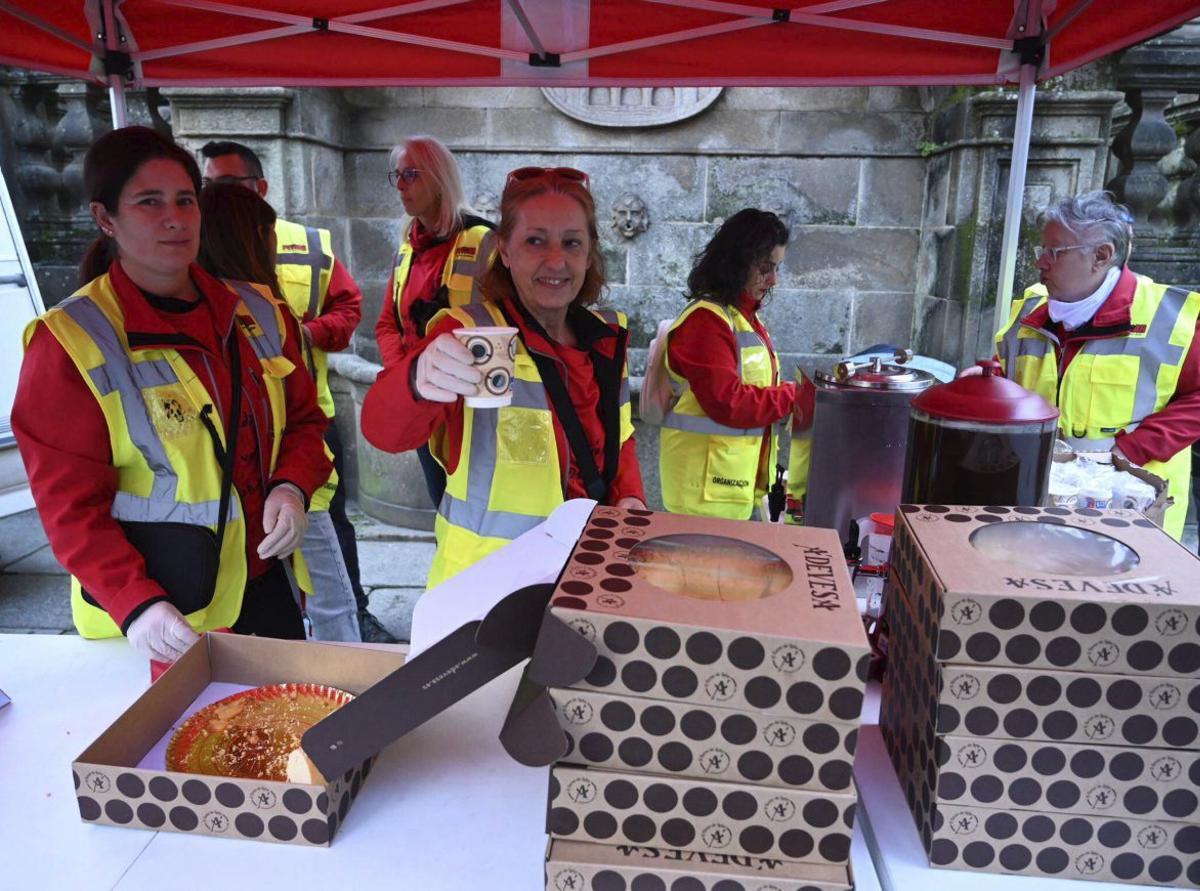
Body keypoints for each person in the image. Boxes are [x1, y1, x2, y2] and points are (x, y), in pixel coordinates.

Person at [12, 126, 331, 663]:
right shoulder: (68, 343)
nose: (175, 217)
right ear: (105, 218)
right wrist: (134, 602)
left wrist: (292, 486)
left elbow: (305, 420)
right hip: (162, 613)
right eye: (149, 201)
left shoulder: (258, 310)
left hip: (265, 581)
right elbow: (69, 507)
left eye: (186, 199)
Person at [362, 166, 645, 588]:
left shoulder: (604, 338)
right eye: (535, 241)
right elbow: (384, 432)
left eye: (571, 242)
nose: (556, 260)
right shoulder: (466, 335)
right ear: (505, 251)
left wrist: (631, 499)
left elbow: (618, 441)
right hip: (486, 596)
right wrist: (419, 378)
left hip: (585, 578)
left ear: (589, 254)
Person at [199, 140, 395, 643]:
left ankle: (345, 645)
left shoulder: (310, 246)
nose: (214, 197)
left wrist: (307, 334)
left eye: (229, 185)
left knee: (330, 555)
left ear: (259, 188)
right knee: (300, 584)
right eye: (208, 186)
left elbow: (351, 312)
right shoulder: (191, 297)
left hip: (304, 439)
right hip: (240, 476)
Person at [991, 190, 1200, 539]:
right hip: (1040, 495)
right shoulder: (1030, 308)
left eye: (1054, 253)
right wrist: (985, 386)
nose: (1040, 263)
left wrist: (1131, 449)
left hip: (1134, 504)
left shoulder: (1171, 318)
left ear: (1101, 256)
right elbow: (1008, 374)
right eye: (1041, 251)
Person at [658, 209, 813, 519]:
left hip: (726, 487)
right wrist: (794, 395)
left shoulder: (742, 318)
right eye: (765, 268)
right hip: (703, 495)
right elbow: (727, 402)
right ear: (737, 262)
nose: (773, 280)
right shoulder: (706, 322)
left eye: (777, 268)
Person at [373, 136, 495, 508]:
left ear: (440, 177)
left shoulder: (485, 242)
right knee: (442, 506)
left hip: (474, 410)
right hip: (425, 405)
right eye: (397, 175)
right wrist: (407, 378)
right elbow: (387, 324)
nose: (402, 186)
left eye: (412, 174)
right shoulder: (407, 249)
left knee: (477, 507)